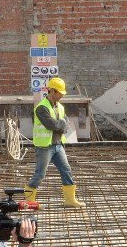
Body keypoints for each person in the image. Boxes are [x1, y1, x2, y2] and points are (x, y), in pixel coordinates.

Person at [24, 77, 85, 208]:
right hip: (45, 146)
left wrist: (62, 124)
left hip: (58, 145)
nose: (62, 95)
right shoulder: (41, 108)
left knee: (66, 170)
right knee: (40, 173)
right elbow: (51, 125)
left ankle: (70, 200)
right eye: (60, 93)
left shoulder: (60, 107)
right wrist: (61, 124)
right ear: (52, 91)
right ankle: (29, 201)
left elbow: (66, 123)